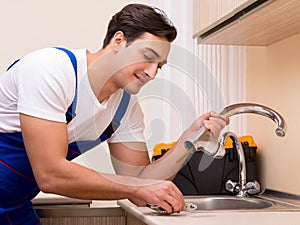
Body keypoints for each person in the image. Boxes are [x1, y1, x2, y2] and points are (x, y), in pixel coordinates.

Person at [0, 3, 229, 224]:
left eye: (159, 65)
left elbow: (141, 182)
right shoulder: (51, 70)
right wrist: (137, 188)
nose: (152, 72)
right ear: (118, 40)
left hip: (14, 207)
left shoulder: (125, 109)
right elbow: (50, 174)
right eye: (148, 56)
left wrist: (189, 140)